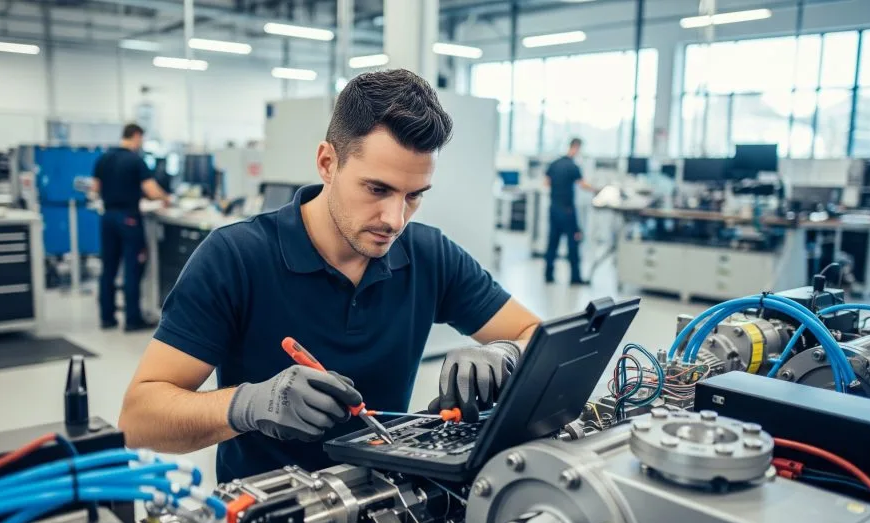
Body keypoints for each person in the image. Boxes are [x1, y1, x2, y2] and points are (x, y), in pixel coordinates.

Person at [118, 69, 542, 482]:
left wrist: (506, 353)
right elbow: (139, 418)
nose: (395, 220)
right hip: (270, 515)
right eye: (377, 189)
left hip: (390, 502)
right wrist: (248, 404)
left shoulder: (429, 253)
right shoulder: (235, 257)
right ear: (327, 163)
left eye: (413, 196)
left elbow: (533, 332)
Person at [92, 123, 170, 332]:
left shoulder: (103, 158)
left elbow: (95, 189)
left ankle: (107, 318)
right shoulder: (136, 160)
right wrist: (166, 197)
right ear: (135, 136)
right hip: (129, 218)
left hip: (107, 217)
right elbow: (151, 190)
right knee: (132, 268)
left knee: (108, 268)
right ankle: (132, 320)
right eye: (141, 139)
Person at [544, 138, 593, 286]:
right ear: (576, 147)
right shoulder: (573, 166)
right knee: (573, 243)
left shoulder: (554, 164)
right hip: (567, 210)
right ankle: (575, 277)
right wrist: (597, 189)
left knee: (552, 243)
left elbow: (546, 183)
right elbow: (582, 184)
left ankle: (549, 275)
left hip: (554, 208)